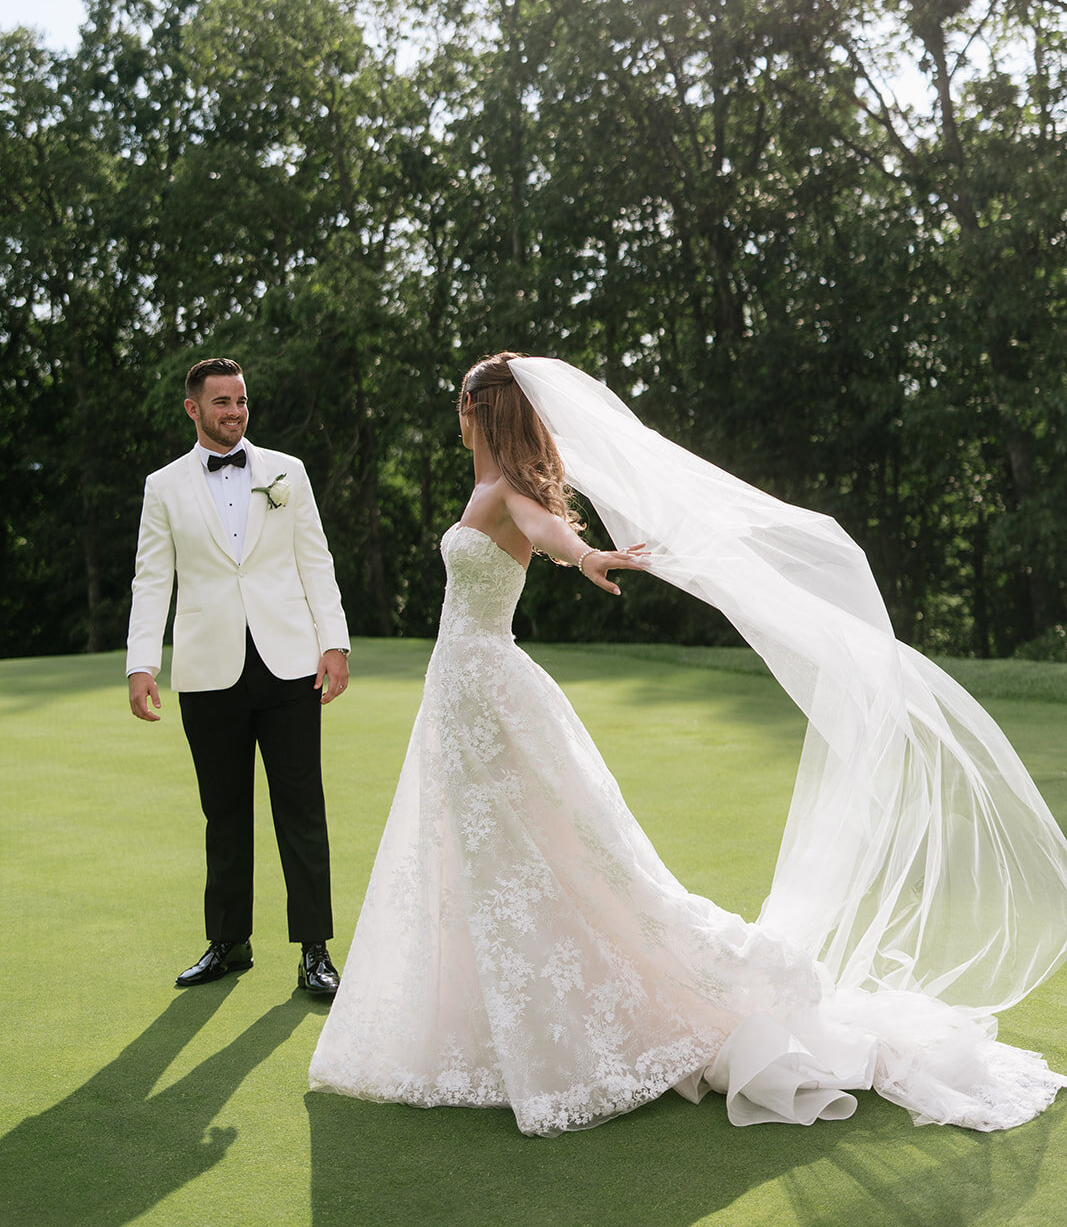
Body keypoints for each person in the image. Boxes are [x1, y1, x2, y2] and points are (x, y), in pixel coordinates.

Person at [309, 352, 1067, 1134]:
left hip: (489, 688)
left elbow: (549, 532)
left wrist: (589, 555)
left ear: (478, 407)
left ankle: (614, 1008)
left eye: (459, 399)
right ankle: (486, 1026)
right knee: (481, 848)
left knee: (549, 847)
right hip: (459, 691)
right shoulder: (483, 488)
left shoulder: (506, 494)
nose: (455, 411)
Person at [127, 357, 350, 996]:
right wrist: (142, 662)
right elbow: (151, 580)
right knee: (223, 812)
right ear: (193, 408)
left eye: (242, 401)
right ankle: (228, 942)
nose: (235, 412)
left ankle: (315, 952)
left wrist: (333, 642)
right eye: (221, 402)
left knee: (302, 809)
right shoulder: (163, 486)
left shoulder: (289, 472)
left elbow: (317, 562)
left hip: (289, 664)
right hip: (207, 670)